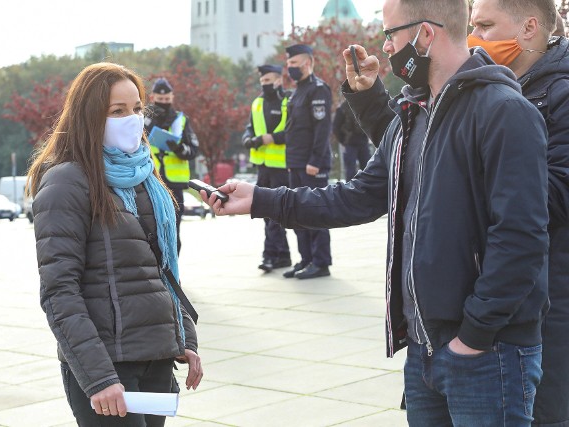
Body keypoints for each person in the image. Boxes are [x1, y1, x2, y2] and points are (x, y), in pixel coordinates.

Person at [200, 0, 550, 424]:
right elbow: (359, 196)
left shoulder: (504, 110)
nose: (385, 48)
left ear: (426, 34)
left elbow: (520, 238)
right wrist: (260, 199)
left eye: (390, 35)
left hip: (486, 354)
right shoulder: (412, 114)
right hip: (424, 351)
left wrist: (473, 337)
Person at [27, 63, 202, 426]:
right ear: (89, 116)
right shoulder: (66, 182)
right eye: (117, 111)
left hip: (156, 359)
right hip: (107, 368)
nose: (133, 119)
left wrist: (185, 336)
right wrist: (99, 378)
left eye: (138, 109)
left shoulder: (143, 174)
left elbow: (162, 271)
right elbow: (60, 292)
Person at [468, 2, 569, 425]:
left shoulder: (560, 91)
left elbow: (558, 193)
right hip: (502, 294)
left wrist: (468, 187)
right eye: (472, 26)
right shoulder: (493, 87)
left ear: (529, 29)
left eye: (485, 26)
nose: (474, 38)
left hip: (551, 298)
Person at [282, 43, 333, 280]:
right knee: (297, 213)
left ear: (308, 63)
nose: (289, 68)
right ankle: (305, 259)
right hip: (296, 162)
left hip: (311, 164)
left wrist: (315, 160)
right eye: (288, 64)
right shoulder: (297, 91)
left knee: (315, 212)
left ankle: (321, 262)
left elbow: (322, 129)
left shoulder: (318, 89)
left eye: (293, 63)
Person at [242, 64, 292, 273]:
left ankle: (270, 255)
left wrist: (270, 138)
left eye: (269, 80)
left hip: (281, 166)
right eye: (262, 81)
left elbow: (293, 129)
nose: (265, 84)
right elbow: (250, 127)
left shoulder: (287, 100)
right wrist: (247, 139)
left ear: (279, 80)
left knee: (275, 212)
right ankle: (282, 255)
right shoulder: (257, 103)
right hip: (263, 167)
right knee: (266, 212)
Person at [145, 77, 199, 254]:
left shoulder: (180, 121)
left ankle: (173, 275)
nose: (164, 103)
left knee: (173, 231)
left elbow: (193, 150)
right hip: (149, 180)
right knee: (151, 231)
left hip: (174, 185)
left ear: (172, 98)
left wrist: (178, 148)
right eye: (160, 100)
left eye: (167, 100)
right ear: (152, 98)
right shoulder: (143, 118)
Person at [332, 99, 371, 180]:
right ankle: (351, 192)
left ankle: (368, 191)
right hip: (350, 143)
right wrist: (343, 140)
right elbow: (335, 127)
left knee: (368, 171)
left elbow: (371, 122)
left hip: (363, 142)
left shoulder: (364, 106)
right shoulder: (343, 107)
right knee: (350, 173)